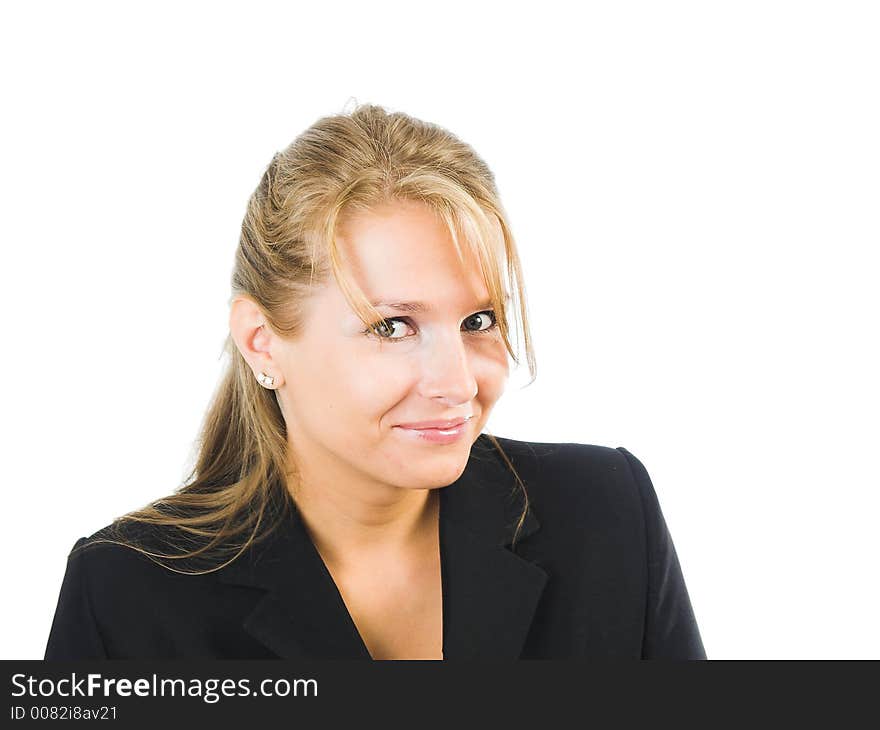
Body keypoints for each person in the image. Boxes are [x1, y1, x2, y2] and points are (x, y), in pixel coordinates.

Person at [44, 103, 706, 660]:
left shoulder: (607, 517)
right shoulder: (127, 592)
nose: (456, 383)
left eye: (478, 319)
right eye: (392, 327)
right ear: (261, 341)